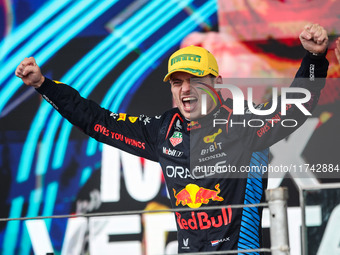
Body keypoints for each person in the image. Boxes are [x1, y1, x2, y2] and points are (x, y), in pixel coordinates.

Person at [15, 23, 328, 253]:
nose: (186, 91)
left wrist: (314, 60)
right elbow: (96, 121)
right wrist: (44, 85)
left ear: (217, 83)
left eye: (195, 81)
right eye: (177, 82)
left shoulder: (242, 121)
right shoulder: (162, 129)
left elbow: (294, 107)